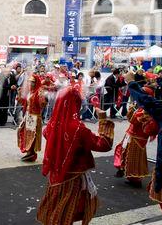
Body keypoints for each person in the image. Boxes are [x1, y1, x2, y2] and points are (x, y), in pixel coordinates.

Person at [37, 85, 115, 225]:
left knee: (57, 207)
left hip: (55, 174)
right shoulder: (78, 128)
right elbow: (104, 145)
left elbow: (46, 134)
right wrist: (103, 121)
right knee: (68, 210)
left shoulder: (52, 125)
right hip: (73, 177)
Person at [128, 77, 162, 213]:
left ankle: (135, 177)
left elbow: (147, 129)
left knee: (135, 159)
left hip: (139, 139)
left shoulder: (155, 111)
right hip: (135, 137)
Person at [114, 85, 159, 187]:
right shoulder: (142, 107)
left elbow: (133, 120)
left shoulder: (147, 110)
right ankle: (125, 172)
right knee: (124, 153)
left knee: (133, 158)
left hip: (138, 138)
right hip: (131, 134)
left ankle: (135, 179)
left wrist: (133, 108)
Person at [17, 74, 46, 162]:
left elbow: (42, 104)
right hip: (28, 115)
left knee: (32, 135)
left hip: (35, 117)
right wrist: (19, 93)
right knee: (23, 131)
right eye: (30, 81)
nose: (31, 83)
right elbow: (23, 102)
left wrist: (42, 97)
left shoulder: (39, 91)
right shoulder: (30, 91)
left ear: (36, 82)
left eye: (33, 82)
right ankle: (28, 151)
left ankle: (31, 153)